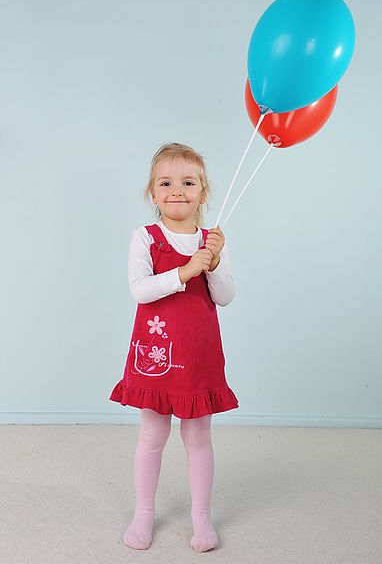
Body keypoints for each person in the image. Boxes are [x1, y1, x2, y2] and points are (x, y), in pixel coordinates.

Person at [109, 142, 239, 552]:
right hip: (156, 356)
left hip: (199, 354)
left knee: (199, 435)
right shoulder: (145, 237)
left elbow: (225, 297)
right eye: (165, 182)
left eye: (188, 182)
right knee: (152, 434)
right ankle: (144, 512)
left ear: (202, 191)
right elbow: (140, 290)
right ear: (152, 192)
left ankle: (202, 517)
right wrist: (185, 270)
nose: (176, 190)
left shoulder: (212, 241)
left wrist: (213, 264)